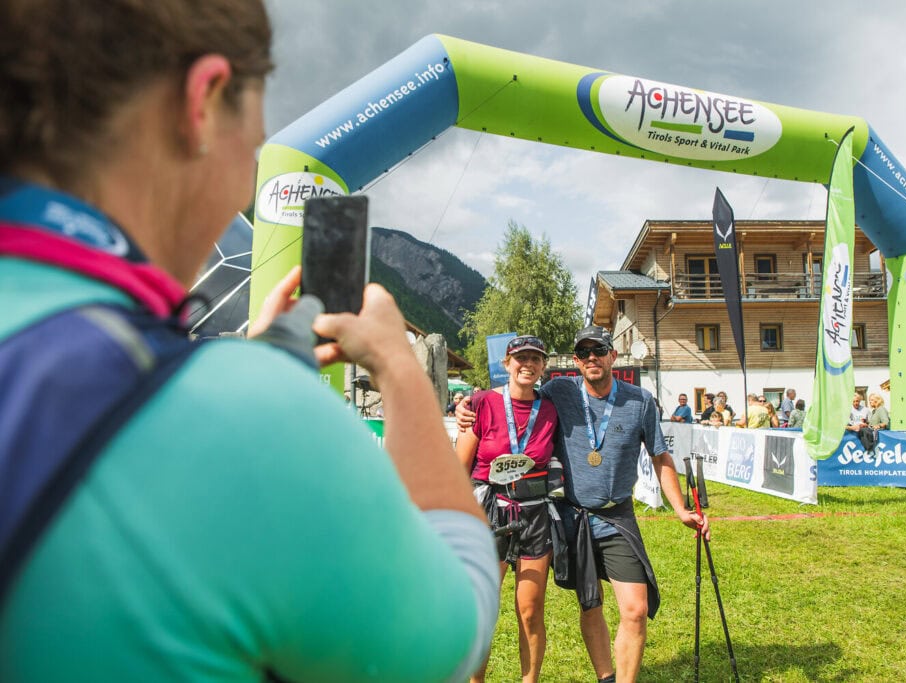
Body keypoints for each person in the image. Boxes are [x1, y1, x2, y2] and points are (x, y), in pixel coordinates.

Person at [0, 3, 498, 680]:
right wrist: (398, 366)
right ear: (201, 102)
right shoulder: (247, 417)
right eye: (256, 140)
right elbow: (456, 630)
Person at [459, 325, 709, 683]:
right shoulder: (557, 392)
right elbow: (510, 402)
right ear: (574, 361)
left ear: (613, 356)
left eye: (599, 350)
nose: (592, 358)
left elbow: (660, 457)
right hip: (561, 515)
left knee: (630, 610)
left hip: (610, 516)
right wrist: (468, 404)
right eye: (584, 353)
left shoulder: (636, 401)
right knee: (584, 604)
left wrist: (682, 509)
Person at [455, 335, 559, 683]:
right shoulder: (481, 403)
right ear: (506, 363)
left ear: (543, 365)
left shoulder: (549, 409)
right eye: (520, 358)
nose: (527, 364)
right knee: (482, 608)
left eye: (535, 358)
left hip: (534, 513)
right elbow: (459, 468)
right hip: (490, 510)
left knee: (530, 611)